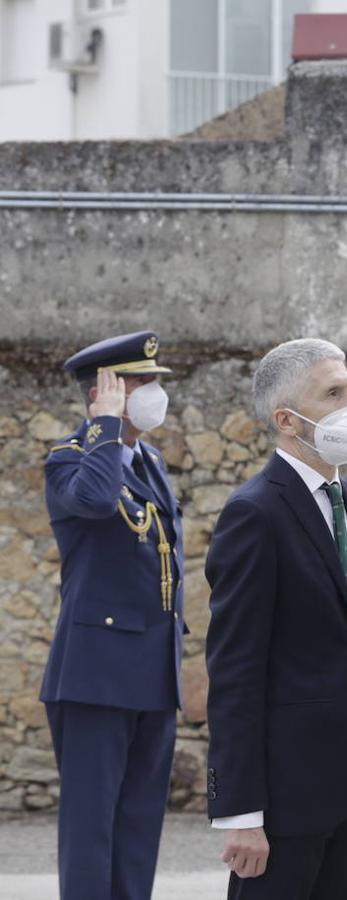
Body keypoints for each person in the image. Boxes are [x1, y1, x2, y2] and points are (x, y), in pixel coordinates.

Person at [204, 338, 347, 900]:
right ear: (287, 420)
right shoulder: (254, 513)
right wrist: (241, 812)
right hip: (283, 800)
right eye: (334, 393)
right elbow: (235, 670)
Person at [41, 330, 185, 900]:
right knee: (91, 830)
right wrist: (102, 426)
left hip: (152, 672)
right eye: (143, 382)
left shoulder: (147, 460)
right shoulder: (69, 463)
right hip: (95, 676)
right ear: (106, 391)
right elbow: (98, 504)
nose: (155, 393)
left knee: (138, 826)